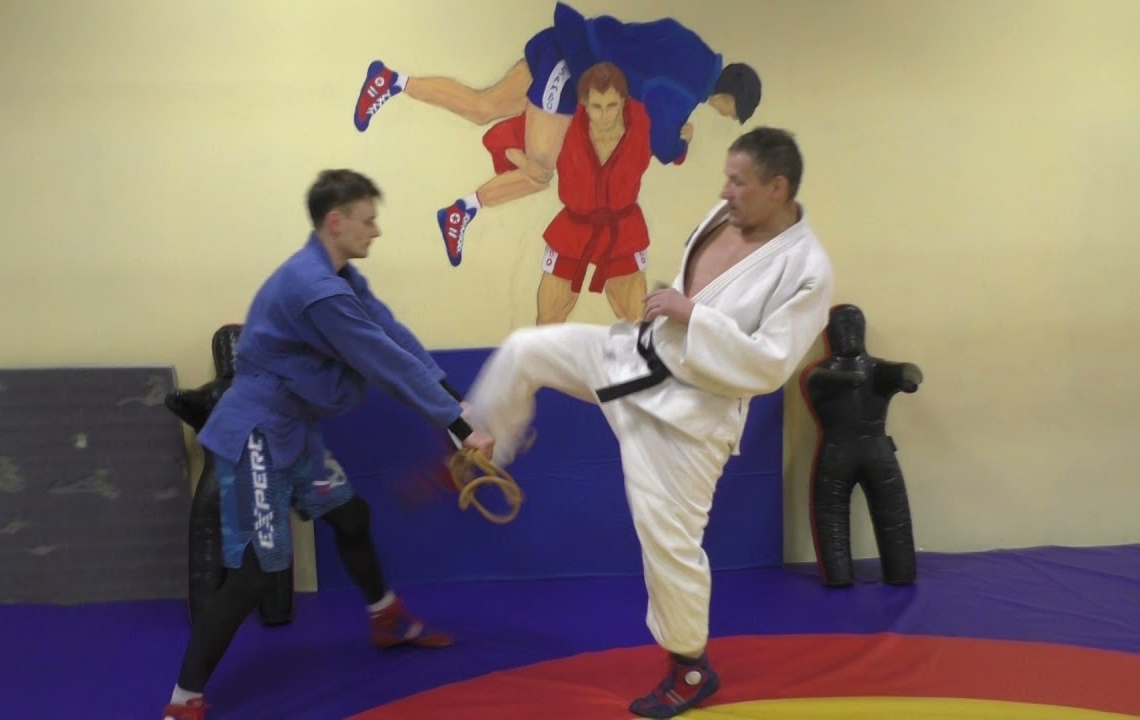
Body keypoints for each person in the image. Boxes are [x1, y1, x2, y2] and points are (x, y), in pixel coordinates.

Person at [462, 127, 834, 718]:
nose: (725, 190)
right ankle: (481, 442)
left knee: (669, 544)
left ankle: (690, 668)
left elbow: (769, 363)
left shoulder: (807, 268)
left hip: (689, 418)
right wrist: (676, 307)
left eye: (738, 181)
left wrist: (694, 317)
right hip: (636, 358)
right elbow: (696, 286)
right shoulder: (726, 215)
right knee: (527, 349)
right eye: (727, 177)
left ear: (777, 187)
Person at [161, 169, 496, 720]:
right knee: (253, 573)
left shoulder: (339, 275)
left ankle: (385, 617)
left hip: (294, 431)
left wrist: (456, 406)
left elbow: (391, 334)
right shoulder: (315, 289)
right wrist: (457, 428)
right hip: (256, 435)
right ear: (335, 222)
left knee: (350, 515)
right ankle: (183, 700)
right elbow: (379, 359)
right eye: (368, 220)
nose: (376, 231)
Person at [352, 1, 761, 266]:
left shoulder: (692, 45)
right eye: (731, 113)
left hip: (563, 43)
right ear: (729, 97)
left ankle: (392, 81)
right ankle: (462, 211)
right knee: (539, 172)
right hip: (569, 69)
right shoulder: (688, 88)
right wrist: (680, 144)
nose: (725, 116)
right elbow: (660, 142)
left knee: (483, 107)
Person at [482, 61, 665, 325]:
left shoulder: (643, 122)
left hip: (623, 231)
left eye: (612, 106)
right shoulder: (562, 123)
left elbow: (673, 146)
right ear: (584, 103)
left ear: (624, 101)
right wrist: (525, 162)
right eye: (597, 107)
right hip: (572, 230)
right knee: (548, 320)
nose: (605, 115)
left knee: (637, 321)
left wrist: (683, 137)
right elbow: (500, 139)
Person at [801, 303, 922, 588]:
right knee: (831, 516)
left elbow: (909, 370)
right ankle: (838, 575)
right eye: (842, 326)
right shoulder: (819, 374)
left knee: (893, 514)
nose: (849, 333)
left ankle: (900, 570)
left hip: (871, 448)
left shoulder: (877, 369)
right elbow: (818, 381)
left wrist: (908, 378)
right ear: (830, 333)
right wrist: (849, 379)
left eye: (854, 325)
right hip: (839, 448)